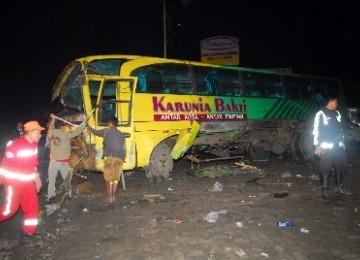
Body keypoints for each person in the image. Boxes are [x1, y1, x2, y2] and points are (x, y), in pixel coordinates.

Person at [0, 121, 44, 236]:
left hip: (28, 184)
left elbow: (33, 164)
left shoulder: (34, 145)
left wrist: (37, 178)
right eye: (38, 132)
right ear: (29, 132)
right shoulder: (15, 145)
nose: (40, 135)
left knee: (32, 208)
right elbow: (4, 166)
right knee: (9, 210)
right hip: (13, 184)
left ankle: (29, 232)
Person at [46, 113, 88, 204]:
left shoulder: (51, 133)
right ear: (61, 127)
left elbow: (51, 126)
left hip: (53, 162)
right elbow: (77, 132)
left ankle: (50, 197)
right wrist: (84, 122)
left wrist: (53, 119)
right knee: (67, 180)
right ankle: (68, 194)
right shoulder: (65, 134)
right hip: (63, 163)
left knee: (52, 180)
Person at [313, 96, 349, 199]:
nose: (337, 104)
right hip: (326, 147)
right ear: (330, 101)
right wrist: (317, 146)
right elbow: (316, 131)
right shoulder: (320, 114)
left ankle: (339, 188)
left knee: (342, 167)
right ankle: (325, 190)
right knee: (325, 169)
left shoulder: (337, 113)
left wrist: (342, 141)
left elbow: (340, 128)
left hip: (338, 146)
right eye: (336, 102)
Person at [87, 116, 126, 204]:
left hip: (110, 157)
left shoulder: (106, 131)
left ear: (110, 123)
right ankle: (113, 197)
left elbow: (95, 132)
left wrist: (87, 126)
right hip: (120, 158)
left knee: (108, 178)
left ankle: (109, 198)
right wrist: (122, 158)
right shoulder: (121, 134)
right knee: (116, 178)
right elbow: (124, 148)